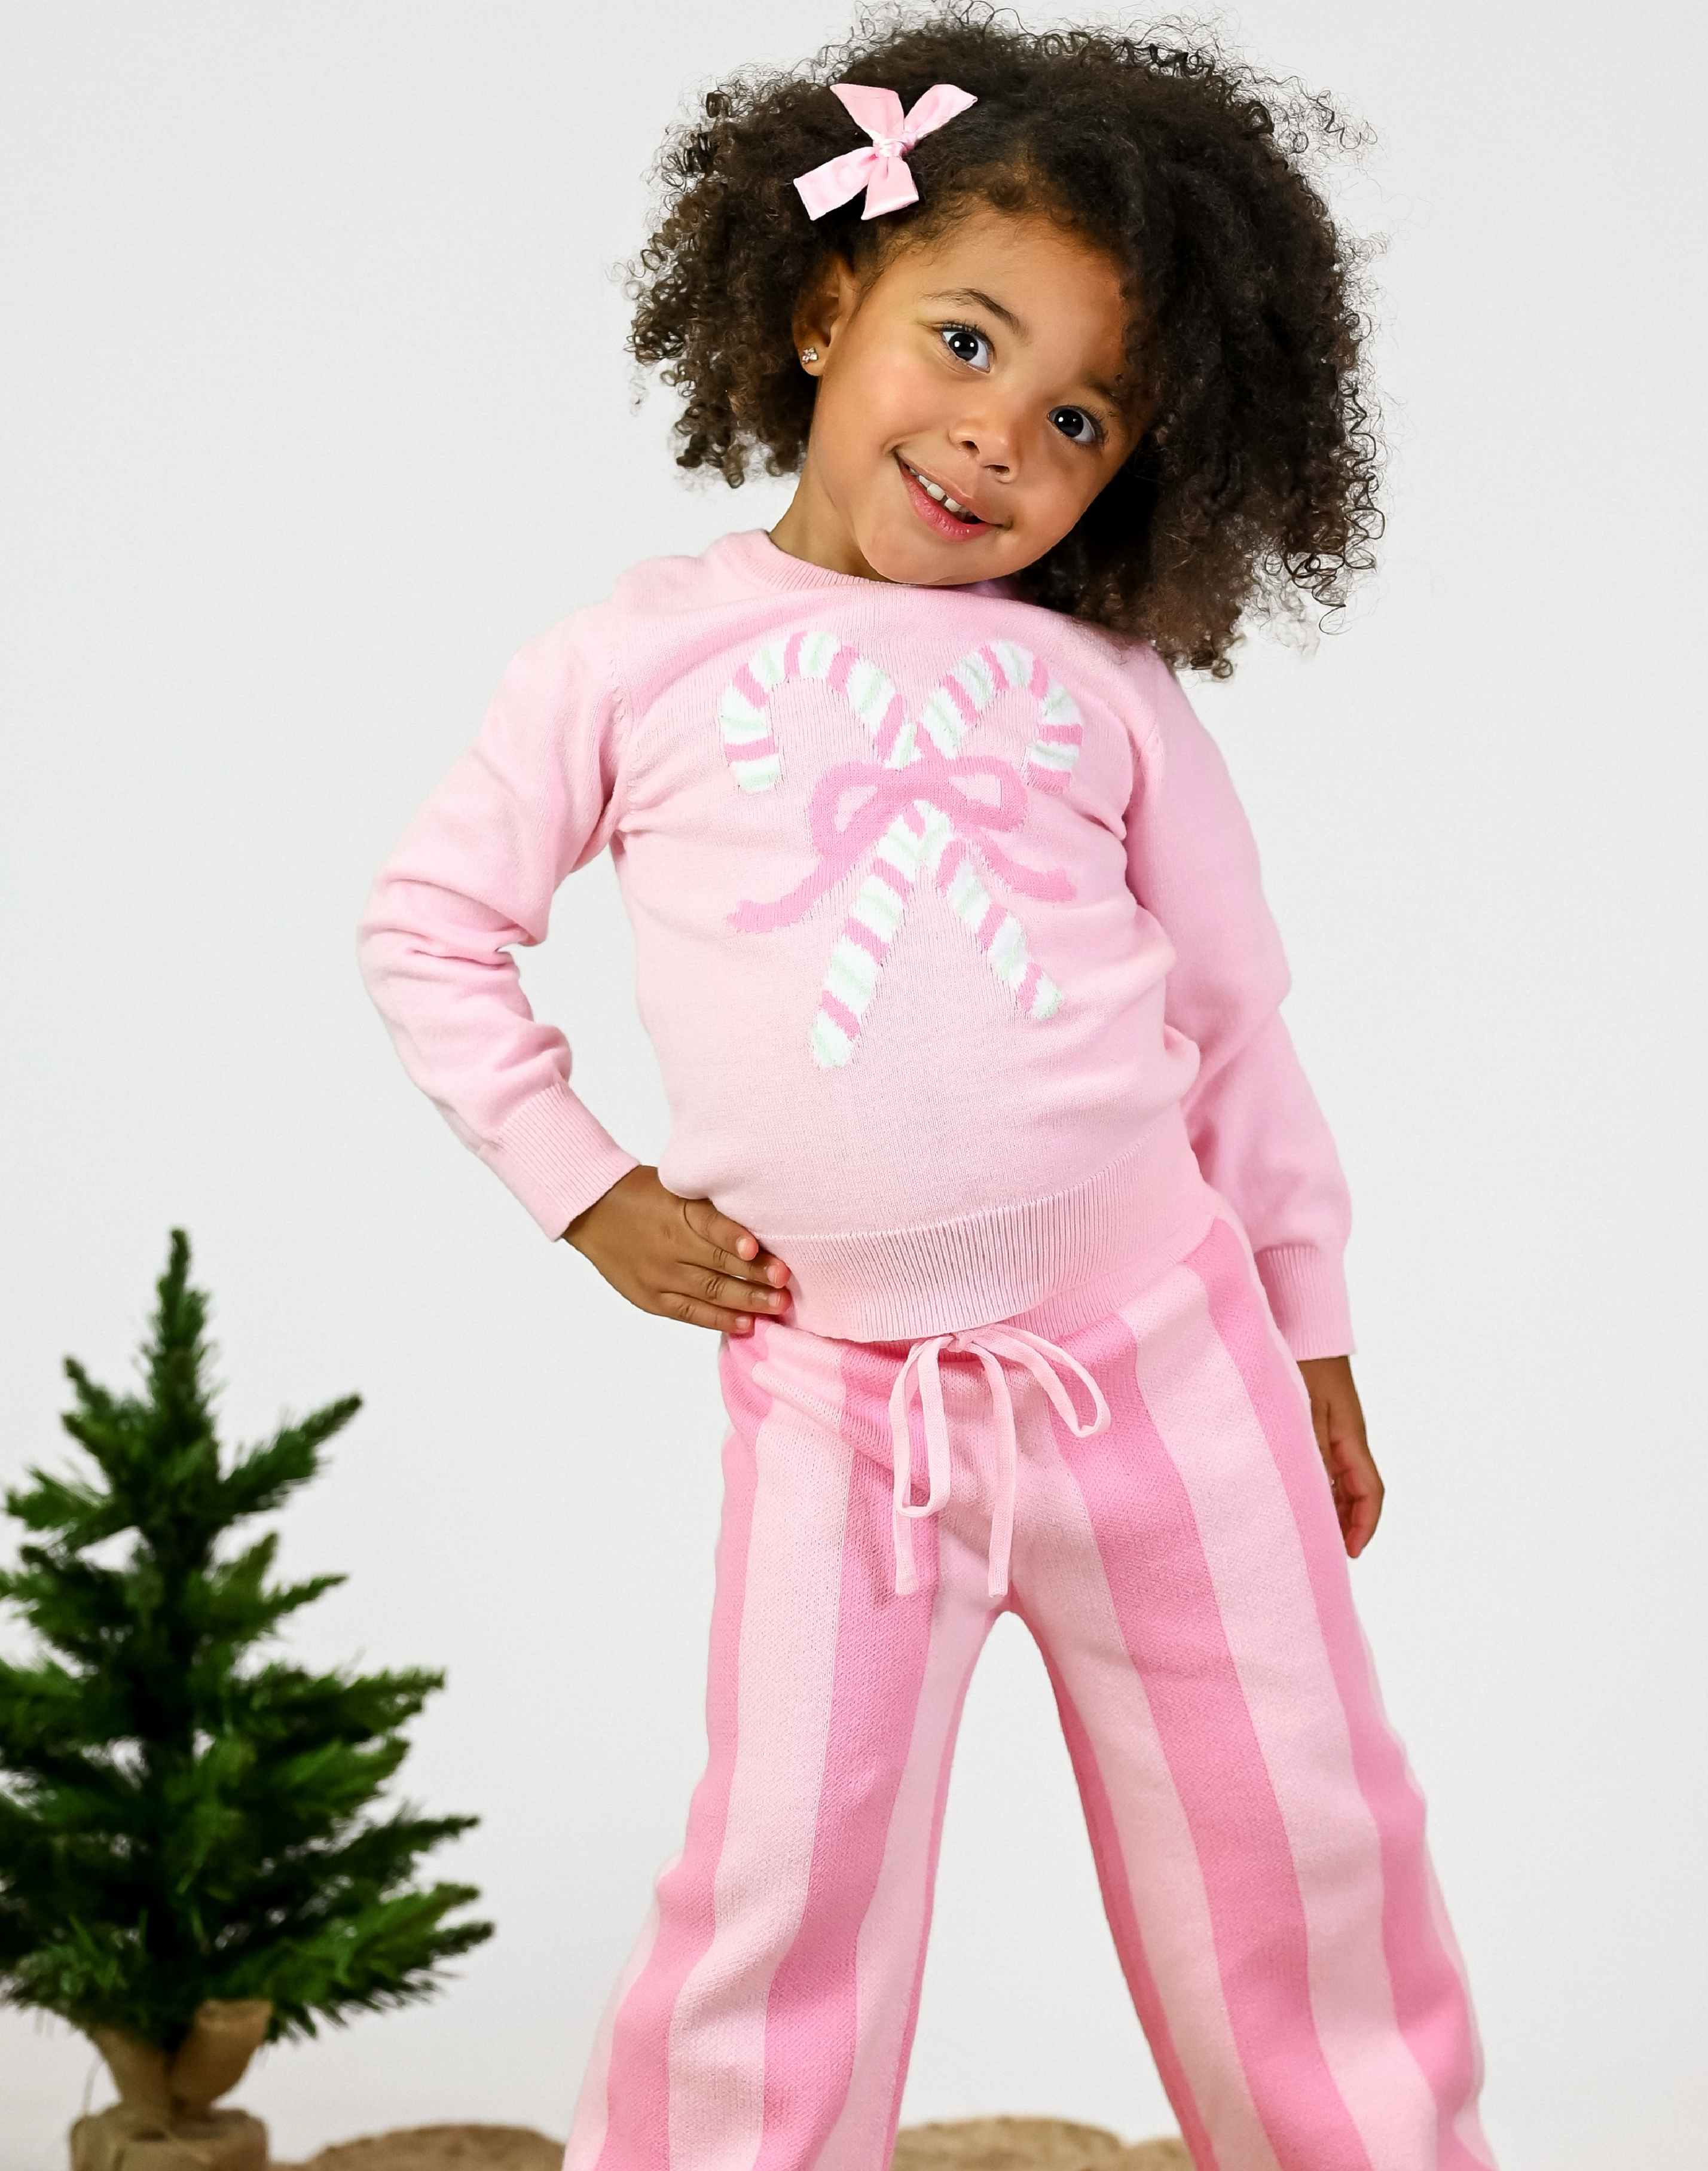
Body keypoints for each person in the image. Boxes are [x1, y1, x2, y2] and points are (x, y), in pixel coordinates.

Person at [359, 13, 1496, 2170]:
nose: (996, 438)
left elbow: (1241, 1022)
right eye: (962, 343)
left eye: (1074, 416)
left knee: (1298, 1826)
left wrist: (1313, 1327)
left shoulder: (1110, 686)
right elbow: (430, 923)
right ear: (817, 308)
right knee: (782, 1881)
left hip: (1166, 1360)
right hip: (833, 1397)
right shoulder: (631, 659)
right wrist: (586, 1186)